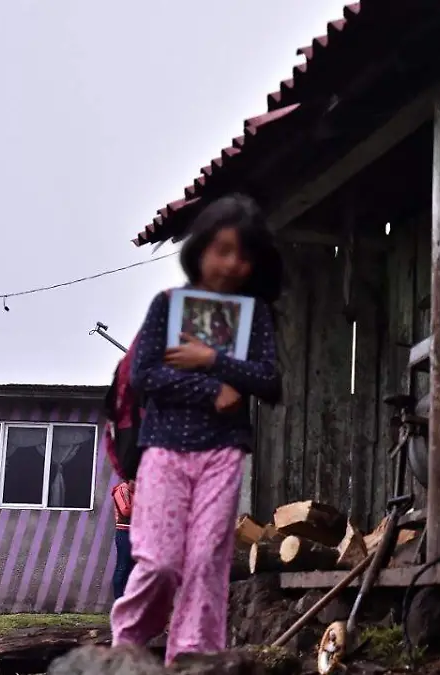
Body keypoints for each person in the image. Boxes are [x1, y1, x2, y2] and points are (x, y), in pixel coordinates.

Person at [110, 194, 283, 663]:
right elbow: (144, 375)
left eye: (243, 256)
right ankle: (128, 643)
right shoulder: (168, 306)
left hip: (222, 452)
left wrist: (211, 359)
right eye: (222, 250)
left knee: (207, 560)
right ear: (200, 248)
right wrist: (212, 390)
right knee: (160, 561)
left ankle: (193, 658)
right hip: (164, 451)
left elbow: (269, 381)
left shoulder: (254, 315)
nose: (231, 264)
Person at [110, 479, 136, 599]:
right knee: (123, 566)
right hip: (125, 532)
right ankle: (119, 600)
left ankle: (130, 600)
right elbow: (125, 510)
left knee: (134, 569)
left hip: (137, 533)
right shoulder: (122, 489)